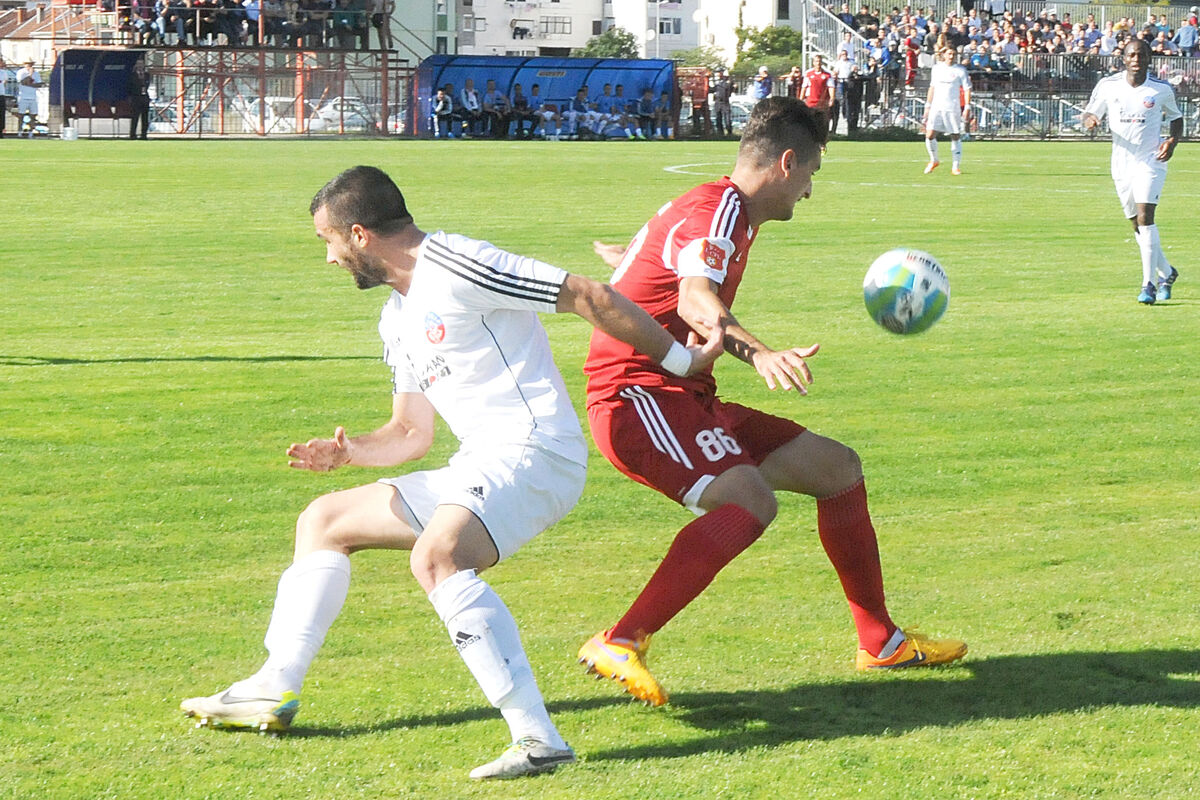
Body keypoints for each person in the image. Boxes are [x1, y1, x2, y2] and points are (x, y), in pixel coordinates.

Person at [179, 165, 721, 777]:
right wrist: (349, 452)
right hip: (483, 460)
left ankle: (537, 740)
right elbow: (410, 434)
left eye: (327, 241)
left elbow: (588, 295)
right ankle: (273, 685)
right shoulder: (395, 314)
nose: (328, 258)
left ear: (358, 235)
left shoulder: (459, 262)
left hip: (537, 451)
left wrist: (682, 360)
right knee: (324, 520)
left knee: (436, 557)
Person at [576, 97, 967, 708]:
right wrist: (760, 354)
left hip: (685, 394)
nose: (809, 191)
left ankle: (881, 642)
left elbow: (669, 261)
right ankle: (621, 640)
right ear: (787, 163)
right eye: (811, 173)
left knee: (838, 470)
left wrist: (630, 259)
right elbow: (694, 301)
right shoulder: (721, 212)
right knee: (750, 502)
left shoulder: (719, 208)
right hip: (637, 395)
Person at [1082, 38, 1183, 304]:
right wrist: (1090, 119)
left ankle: (1148, 285)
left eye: (1141, 55)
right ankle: (1167, 272)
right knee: (1135, 223)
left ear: (1149, 59)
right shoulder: (1108, 85)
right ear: (1123, 59)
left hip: (1150, 160)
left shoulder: (1160, 89)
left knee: (1145, 216)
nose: (1136, 59)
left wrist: (1172, 141)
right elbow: (1089, 113)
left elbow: (1176, 117)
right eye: (1131, 55)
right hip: (1121, 163)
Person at [922, 47, 972, 175]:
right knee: (929, 135)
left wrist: (967, 107)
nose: (951, 56)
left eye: (953, 54)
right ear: (943, 55)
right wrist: (927, 105)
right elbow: (932, 87)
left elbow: (967, 89)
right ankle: (934, 160)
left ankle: (955, 166)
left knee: (955, 135)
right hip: (936, 107)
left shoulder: (960, 70)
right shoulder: (936, 69)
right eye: (949, 53)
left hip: (952, 107)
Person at [800, 54, 835, 130]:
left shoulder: (827, 75)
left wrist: (832, 99)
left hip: (823, 101)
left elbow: (831, 87)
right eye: (816, 61)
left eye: (819, 61)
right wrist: (801, 99)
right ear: (813, 63)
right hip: (811, 101)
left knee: (822, 120)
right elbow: (804, 87)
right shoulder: (808, 74)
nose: (818, 63)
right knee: (810, 119)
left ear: (822, 63)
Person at [15, 59, 41, 137]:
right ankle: (19, 132)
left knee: (33, 115)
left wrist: (29, 84)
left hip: (33, 97)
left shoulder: (36, 73)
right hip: (23, 97)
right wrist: (30, 75)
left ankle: (31, 132)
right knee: (21, 115)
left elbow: (39, 84)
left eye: (31, 64)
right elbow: (22, 82)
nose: (29, 65)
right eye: (27, 64)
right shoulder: (21, 72)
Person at [126, 59, 151, 140]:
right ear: (136, 65)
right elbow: (129, 87)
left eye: (141, 64)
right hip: (136, 98)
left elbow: (147, 84)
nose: (140, 66)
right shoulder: (132, 75)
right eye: (138, 64)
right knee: (135, 117)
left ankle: (144, 135)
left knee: (145, 118)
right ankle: (133, 135)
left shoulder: (147, 75)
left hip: (145, 98)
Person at [709, 68, 733, 138]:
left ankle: (729, 132)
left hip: (725, 102)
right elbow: (712, 89)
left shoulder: (727, 82)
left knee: (727, 119)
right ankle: (720, 133)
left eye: (720, 72)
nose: (718, 74)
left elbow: (730, 88)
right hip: (717, 102)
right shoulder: (716, 82)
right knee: (718, 118)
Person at [0, 57, 14, 139]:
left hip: (1, 94)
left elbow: (4, 82)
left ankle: (1, 131)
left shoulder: (3, 72)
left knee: (1, 113)